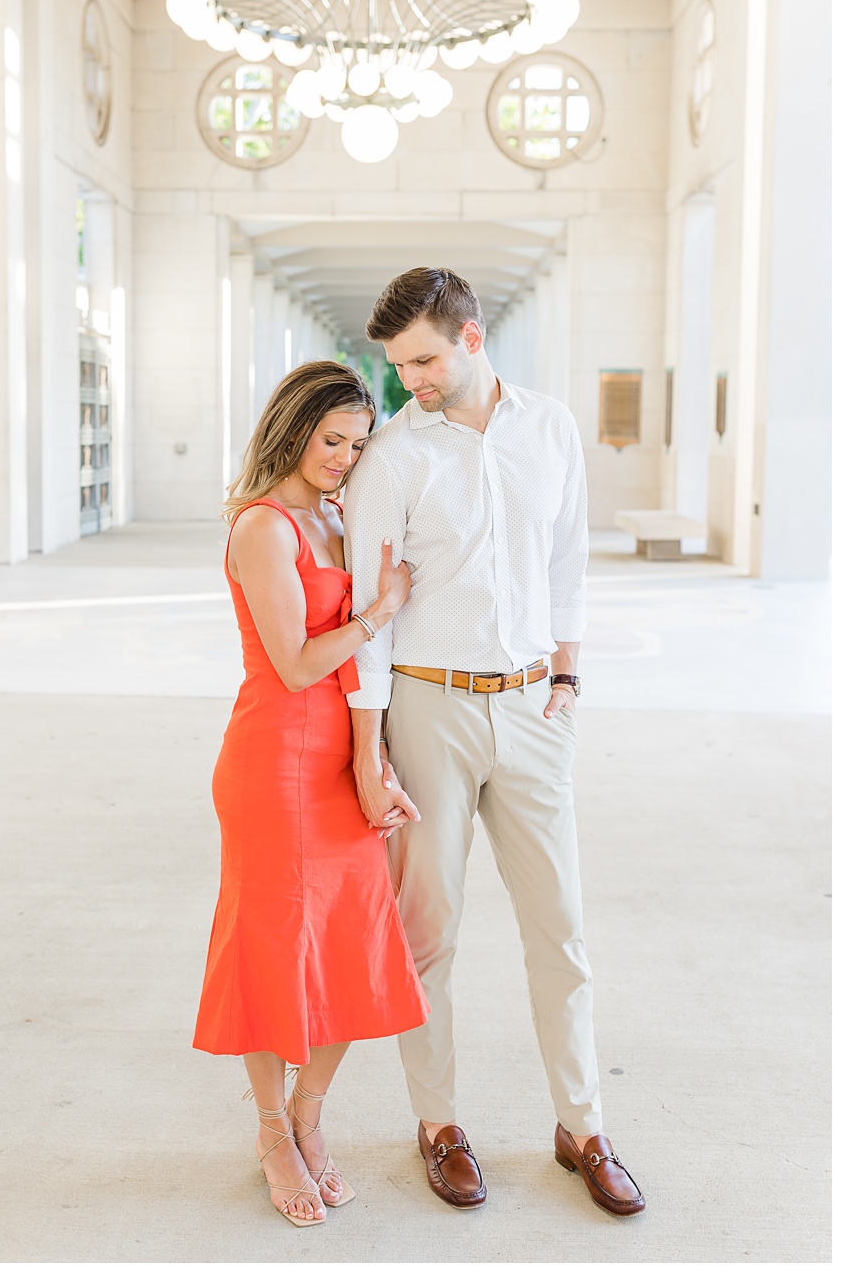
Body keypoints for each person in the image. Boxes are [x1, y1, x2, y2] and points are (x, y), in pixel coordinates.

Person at [343, 268, 645, 1218]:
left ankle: (583, 1125)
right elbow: (371, 617)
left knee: (560, 928)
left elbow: (567, 560)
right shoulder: (390, 455)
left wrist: (566, 671)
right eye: (397, 366)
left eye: (424, 359)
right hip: (426, 711)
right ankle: (437, 1123)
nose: (410, 381)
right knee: (426, 933)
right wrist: (368, 749)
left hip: (532, 710)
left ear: (471, 337)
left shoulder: (550, 427)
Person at [193, 360, 428, 1228]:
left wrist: (375, 754)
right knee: (271, 946)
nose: (343, 457)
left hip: (340, 759)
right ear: (292, 429)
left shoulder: (336, 515)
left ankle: (307, 1114)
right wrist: (374, 614)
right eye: (331, 439)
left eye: (356, 444)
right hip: (274, 760)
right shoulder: (264, 527)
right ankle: (268, 1128)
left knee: (351, 940)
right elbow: (294, 662)